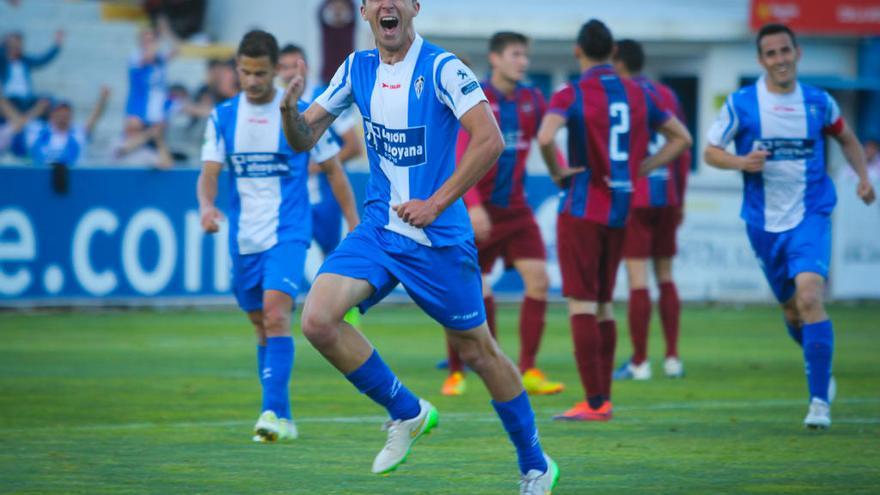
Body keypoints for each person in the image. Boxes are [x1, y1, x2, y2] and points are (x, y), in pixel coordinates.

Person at [280, 1, 558, 492]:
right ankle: (407, 412)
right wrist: (288, 110)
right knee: (318, 321)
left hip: (437, 239)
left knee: (479, 352)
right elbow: (304, 138)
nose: (387, 4)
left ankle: (535, 463)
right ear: (365, 11)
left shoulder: (443, 68)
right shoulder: (355, 68)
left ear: (413, 7)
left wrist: (436, 202)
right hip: (381, 228)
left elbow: (489, 140)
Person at [704, 23, 875, 429]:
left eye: (786, 51)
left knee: (810, 295)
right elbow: (711, 151)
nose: (780, 59)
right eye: (771, 54)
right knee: (793, 310)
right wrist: (741, 162)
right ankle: (819, 366)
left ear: (797, 53)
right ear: (762, 61)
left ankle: (819, 401)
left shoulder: (819, 103)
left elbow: (847, 139)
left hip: (810, 214)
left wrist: (863, 176)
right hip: (763, 222)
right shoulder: (742, 104)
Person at [197, 30, 359, 443]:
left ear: (274, 71)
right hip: (244, 237)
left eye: (261, 73)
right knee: (260, 325)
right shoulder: (223, 117)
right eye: (246, 72)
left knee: (275, 313)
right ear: (237, 69)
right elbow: (210, 173)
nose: (253, 81)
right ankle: (283, 416)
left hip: (288, 231)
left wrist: (354, 222)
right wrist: (207, 206)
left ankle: (269, 412)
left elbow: (335, 170)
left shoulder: (300, 115)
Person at [537, 19, 691, 422]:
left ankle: (593, 402)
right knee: (604, 305)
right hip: (621, 210)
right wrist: (643, 167)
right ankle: (603, 398)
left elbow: (544, 137)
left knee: (582, 304)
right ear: (614, 53)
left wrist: (557, 173)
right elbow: (682, 139)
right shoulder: (640, 94)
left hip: (583, 209)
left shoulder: (571, 92)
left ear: (577, 51)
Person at [440, 31, 563, 398]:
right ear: (495, 59)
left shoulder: (532, 98)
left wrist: (561, 172)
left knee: (538, 280)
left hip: (517, 209)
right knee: (468, 289)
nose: (522, 61)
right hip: (479, 208)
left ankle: (528, 369)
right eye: (515, 54)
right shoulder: (477, 96)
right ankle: (459, 370)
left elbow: (547, 139)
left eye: (525, 55)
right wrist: (473, 206)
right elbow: (462, 155)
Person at [611, 39, 691, 381]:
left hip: (637, 196)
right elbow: (683, 148)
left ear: (619, 63)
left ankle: (640, 361)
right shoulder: (667, 95)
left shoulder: (623, 94)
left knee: (638, 278)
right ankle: (672, 358)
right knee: (666, 275)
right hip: (668, 195)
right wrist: (681, 196)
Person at [279, 43, 364, 326]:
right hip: (295, 200)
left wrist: (316, 166)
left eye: (294, 66)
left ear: (305, 67)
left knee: (333, 260)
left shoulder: (325, 97)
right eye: (284, 67)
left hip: (326, 197)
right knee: (288, 252)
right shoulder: (279, 105)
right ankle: (280, 312)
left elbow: (353, 146)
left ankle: (347, 315)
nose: (289, 73)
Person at [26, 87, 110, 167]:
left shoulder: (78, 133)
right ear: (52, 115)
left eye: (66, 114)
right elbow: (20, 125)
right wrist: (38, 109)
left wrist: (103, 100)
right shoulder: (39, 132)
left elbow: (94, 119)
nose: (62, 117)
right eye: (60, 114)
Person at [0, 30, 64, 114]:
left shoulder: (25, 61)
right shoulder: (3, 62)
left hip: (28, 99)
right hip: (11, 99)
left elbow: (42, 60)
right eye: (14, 44)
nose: (17, 47)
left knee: (50, 100)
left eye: (19, 44)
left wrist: (57, 45)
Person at [125, 26, 177, 127]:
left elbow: (176, 50)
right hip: (139, 106)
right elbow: (148, 57)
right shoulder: (135, 57)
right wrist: (157, 42)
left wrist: (166, 32)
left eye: (151, 40)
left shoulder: (159, 57)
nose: (149, 43)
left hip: (157, 104)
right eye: (147, 40)